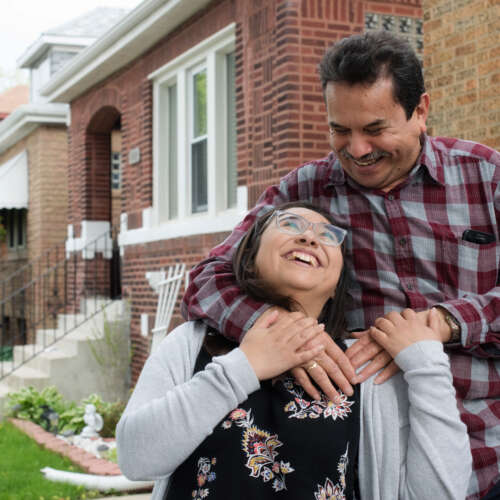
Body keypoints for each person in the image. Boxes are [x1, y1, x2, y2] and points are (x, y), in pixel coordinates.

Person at [181, 31, 500, 499]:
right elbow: (207, 280)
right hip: (372, 458)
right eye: (339, 130)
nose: (356, 149)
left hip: (491, 441)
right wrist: (290, 333)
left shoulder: (486, 175)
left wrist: (444, 323)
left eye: (375, 129)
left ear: (421, 111)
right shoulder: (303, 192)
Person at [117, 202, 471, 499]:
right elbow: (136, 459)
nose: (309, 237)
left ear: (337, 286)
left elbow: (439, 493)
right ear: (250, 257)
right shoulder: (192, 343)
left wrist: (426, 362)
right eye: (290, 224)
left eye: (328, 236)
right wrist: (246, 365)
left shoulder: (365, 366)